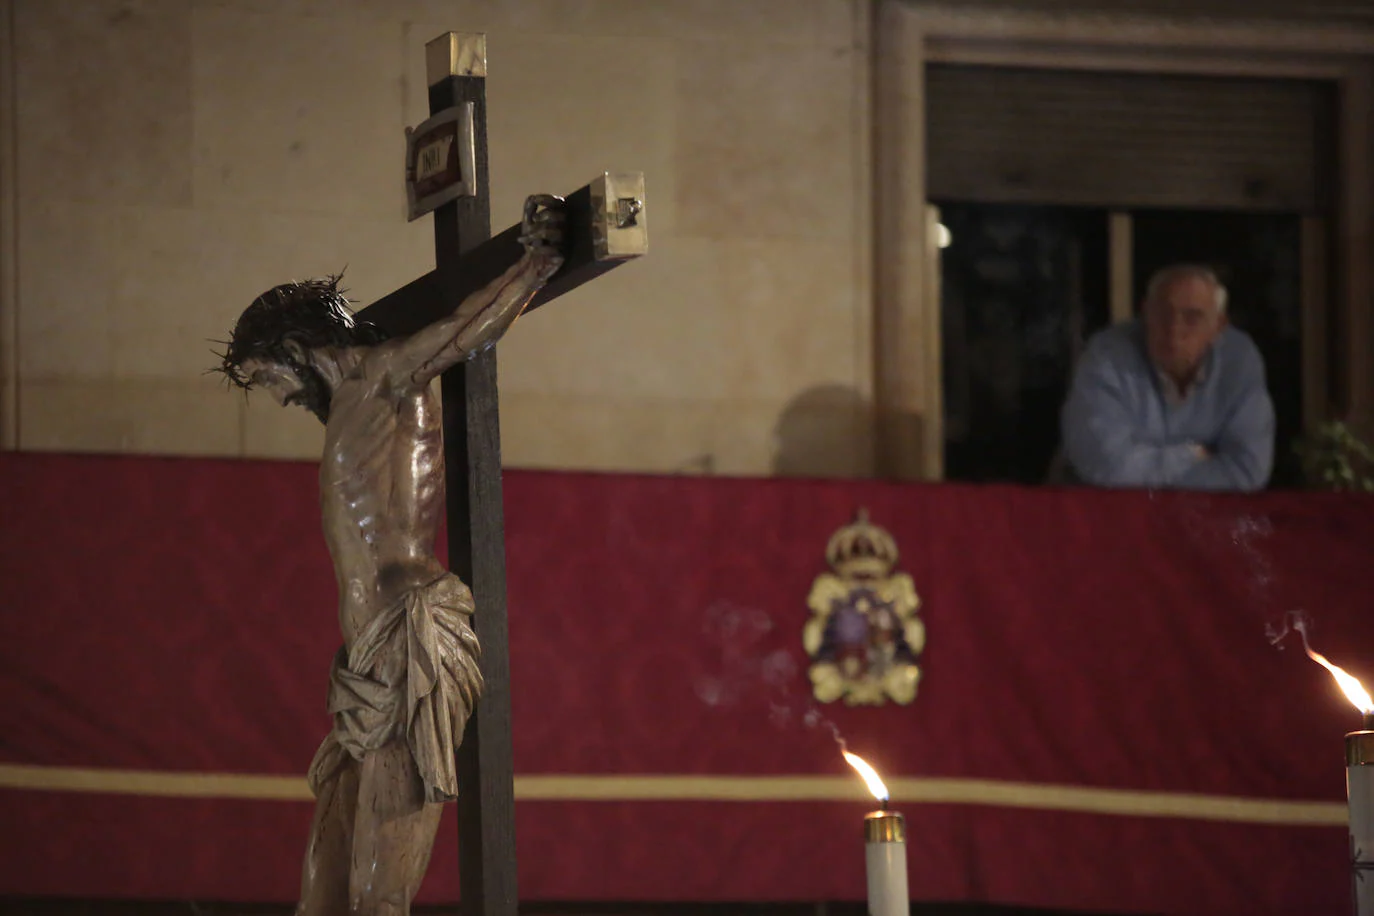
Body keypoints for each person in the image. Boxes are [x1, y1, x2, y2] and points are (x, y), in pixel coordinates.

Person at [215, 194, 565, 916]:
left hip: (411, 653)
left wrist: (537, 261)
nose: (279, 400)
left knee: (378, 894)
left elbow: (462, 332)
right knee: (323, 887)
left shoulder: (384, 377)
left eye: (270, 380)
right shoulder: (345, 406)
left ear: (291, 350)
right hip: (365, 671)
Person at [1060, 263, 1275, 491]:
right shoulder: (1106, 356)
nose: (1174, 329)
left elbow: (1248, 470)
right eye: (1163, 313)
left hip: (1203, 517)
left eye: (1192, 317)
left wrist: (1146, 468)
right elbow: (1105, 465)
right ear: (1145, 313)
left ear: (1218, 326)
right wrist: (1191, 455)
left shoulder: (1239, 359)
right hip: (1108, 514)